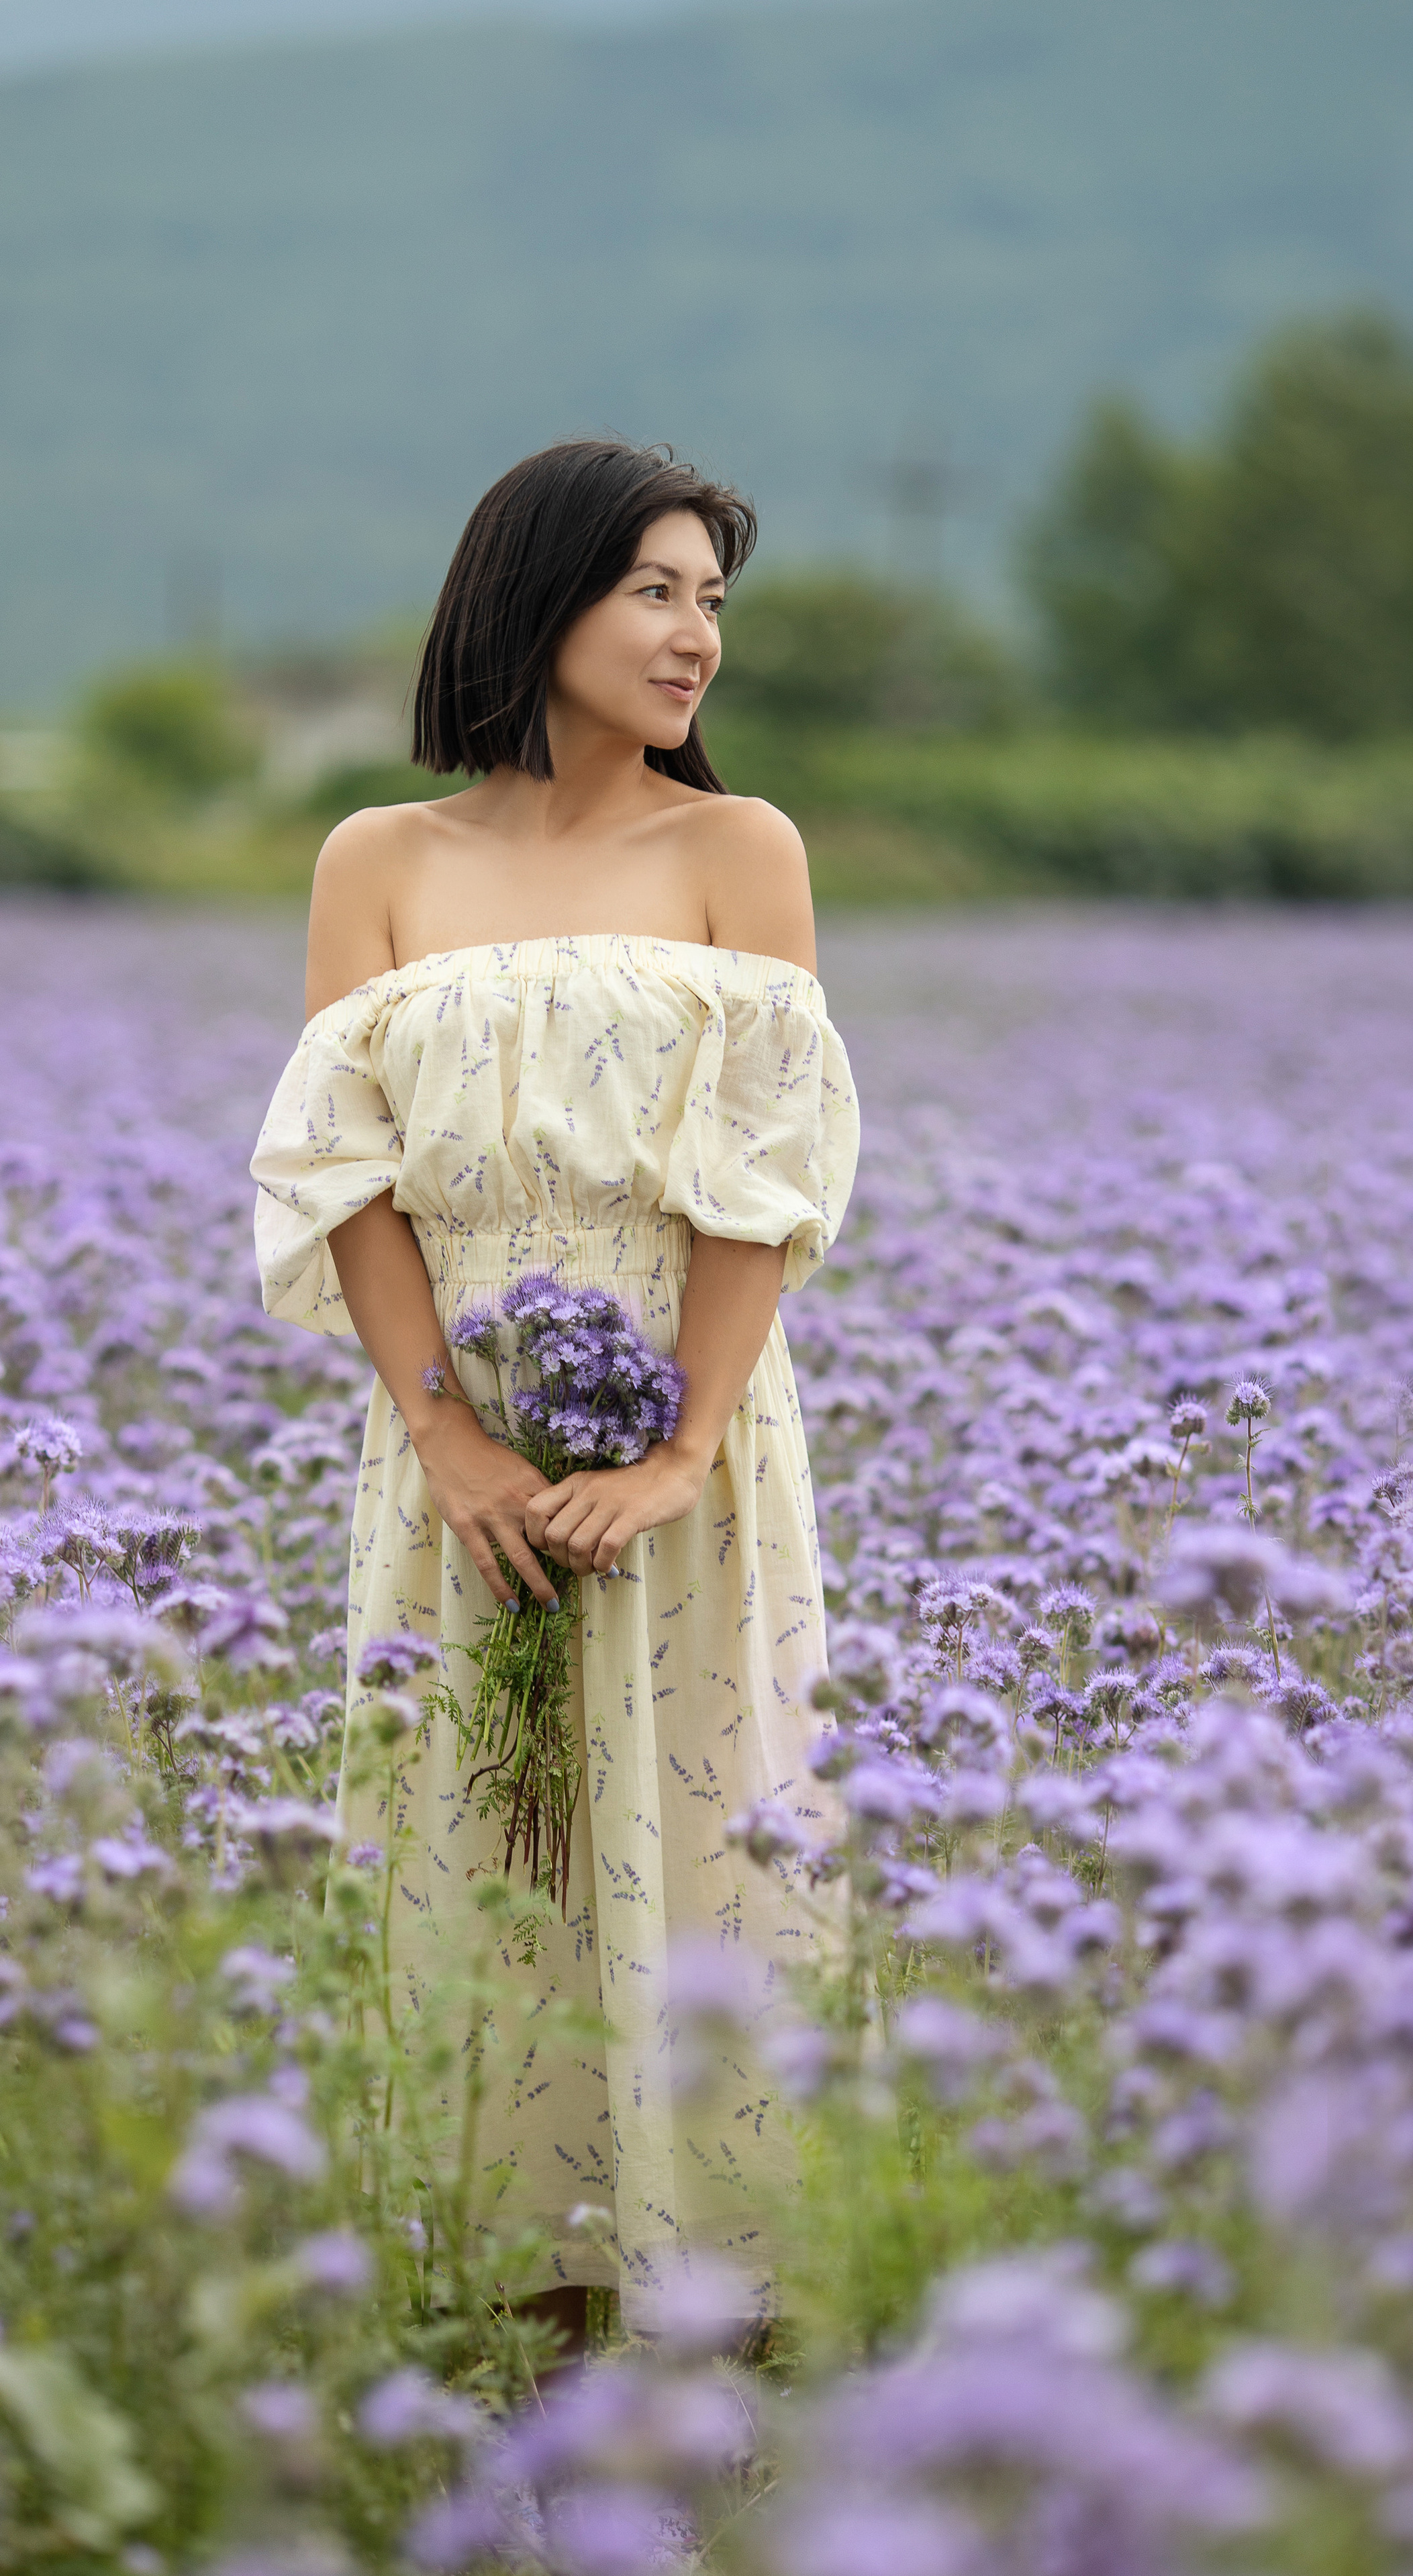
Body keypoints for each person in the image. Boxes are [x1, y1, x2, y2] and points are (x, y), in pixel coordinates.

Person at [250, 439, 861, 2347]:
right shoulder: (379, 862)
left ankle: (724, 2344)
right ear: (539, 598)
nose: (696, 640)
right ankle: (495, 2329)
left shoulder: (737, 848)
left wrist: (681, 1445)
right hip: (457, 1457)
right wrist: (443, 1436)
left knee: (699, 1861)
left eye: (712, 606)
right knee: (469, 1855)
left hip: (689, 1444)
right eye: (657, 594)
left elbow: (760, 1178)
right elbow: (344, 1176)